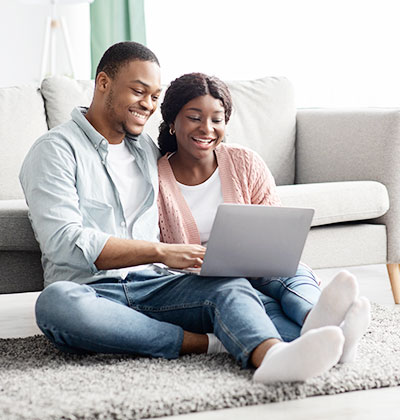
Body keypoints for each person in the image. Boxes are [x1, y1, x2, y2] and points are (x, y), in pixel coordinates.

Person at [20, 41, 344, 385]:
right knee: (55, 305)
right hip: (92, 291)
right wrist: (163, 252)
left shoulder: (146, 149)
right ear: (103, 83)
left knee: (230, 289)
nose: (148, 105)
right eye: (139, 91)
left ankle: (279, 354)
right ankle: (210, 343)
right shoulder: (55, 151)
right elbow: (64, 244)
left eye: (154, 96)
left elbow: (198, 157)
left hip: (158, 286)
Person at [157, 72, 371, 374]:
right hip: (202, 280)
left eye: (217, 119)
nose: (207, 128)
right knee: (254, 303)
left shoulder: (245, 162)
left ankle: (317, 318)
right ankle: (333, 339)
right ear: (172, 121)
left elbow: (274, 224)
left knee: (291, 271)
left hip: (258, 263)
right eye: (194, 118)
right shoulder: (154, 178)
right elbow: (155, 251)